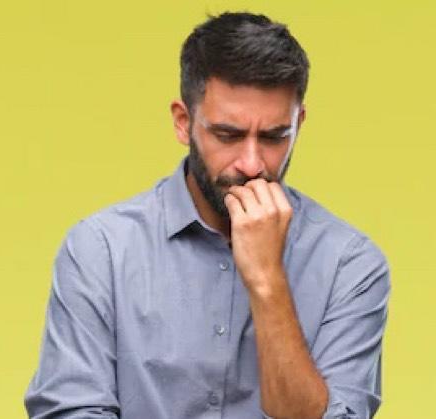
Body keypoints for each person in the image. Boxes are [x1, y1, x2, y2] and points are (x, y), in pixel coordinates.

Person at [24, 11, 390, 419]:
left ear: (298, 123)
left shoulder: (350, 265)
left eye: (274, 137)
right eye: (227, 135)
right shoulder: (101, 251)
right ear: (184, 123)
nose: (252, 164)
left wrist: (267, 281)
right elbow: (71, 410)